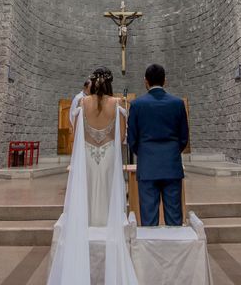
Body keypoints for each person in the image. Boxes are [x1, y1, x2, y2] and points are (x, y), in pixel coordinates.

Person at [48, 66, 137, 285]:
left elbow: (76, 132)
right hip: (107, 156)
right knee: (106, 190)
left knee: (86, 189)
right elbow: (122, 136)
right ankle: (107, 227)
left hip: (87, 155)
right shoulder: (118, 104)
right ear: (110, 83)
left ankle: (85, 224)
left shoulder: (81, 103)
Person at [127, 63, 189, 227]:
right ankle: (175, 250)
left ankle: (150, 251)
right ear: (165, 81)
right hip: (171, 164)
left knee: (148, 219)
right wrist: (172, 152)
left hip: (147, 165)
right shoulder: (177, 103)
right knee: (174, 217)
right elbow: (184, 137)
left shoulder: (136, 105)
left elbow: (132, 138)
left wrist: (144, 153)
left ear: (145, 81)